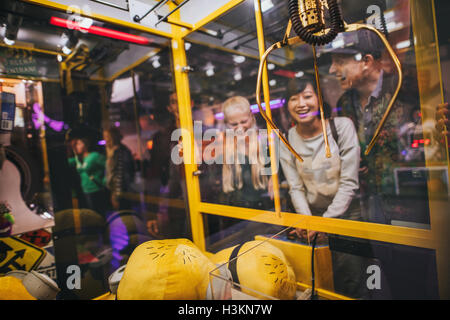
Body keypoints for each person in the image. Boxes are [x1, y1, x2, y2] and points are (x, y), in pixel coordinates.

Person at [279, 77, 365, 298]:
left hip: (348, 216)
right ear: (287, 105)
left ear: (319, 99)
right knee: (320, 281)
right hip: (311, 217)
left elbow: (349, 182)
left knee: (352, 279)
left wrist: (322, 223)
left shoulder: (342, 126)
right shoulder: (286, 139)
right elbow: (295, 188)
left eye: (308, 96)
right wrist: (309, 222)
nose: (301, 104)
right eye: (293, 98)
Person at [68, 137, 108, 216]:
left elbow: (108, 166)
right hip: (86, 191)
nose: (77, 146)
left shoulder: (94, 156)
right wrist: (71, 148)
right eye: (76, 145)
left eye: (79, 144)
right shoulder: (78, 159)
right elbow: (67, 162)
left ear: (86, 145)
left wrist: (104, 182)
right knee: (92, 215)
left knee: (99, 214)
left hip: (96, 189)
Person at [103, 127, 136, 212]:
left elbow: (120, 175)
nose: (105, 139)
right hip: (118, 191)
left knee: (124, 216)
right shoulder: (114, 151)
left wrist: (116, 196)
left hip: (121, 192)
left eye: (106, 137)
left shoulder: (119, 152)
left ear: (112, 137)